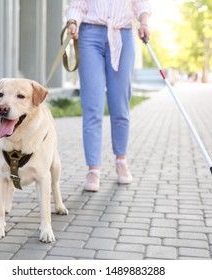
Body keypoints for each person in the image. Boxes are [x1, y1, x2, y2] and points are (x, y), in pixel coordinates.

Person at [66, 0, 151, 192]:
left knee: (120, 106)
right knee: (92, 107)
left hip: (123, 33)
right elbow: (78, 5)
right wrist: (73, 21)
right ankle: (93, 170)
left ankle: (121, 160)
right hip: (89, 34)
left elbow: (141, 4)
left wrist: (144, 22)